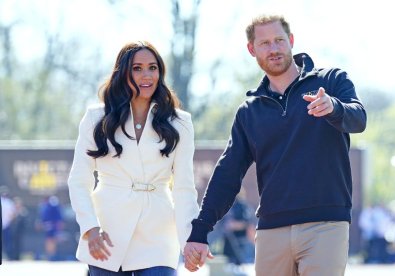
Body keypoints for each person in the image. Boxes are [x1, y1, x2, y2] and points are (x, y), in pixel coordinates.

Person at [184, 14, 367, 276]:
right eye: (265, 43)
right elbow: (227, 174)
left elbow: (358, 118)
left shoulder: (331, 81)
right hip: (271, 230)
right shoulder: (250, 111)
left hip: (325, 224)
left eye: (279, 40)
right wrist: (200, 230)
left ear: (291, 41)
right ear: (252, 49)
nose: (274, 49)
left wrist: (334, 108)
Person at [67, 41, 199, 275]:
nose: (146, 75)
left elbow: (184, 188)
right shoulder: (96, 118)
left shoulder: (180, 123)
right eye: (137, 68)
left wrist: (190, 238)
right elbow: (79, 180)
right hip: (107, 234)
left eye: (152, 67)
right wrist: (90, 228)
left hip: (158, 234)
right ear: (123, 73)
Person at [39, 195, 64, 261]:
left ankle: (51, 255)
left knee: (51, 240)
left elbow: (58, 219)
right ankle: (51, 255)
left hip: (52, 226)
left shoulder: (51, 207)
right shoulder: (48, 207)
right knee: (50, 240)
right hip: (51, 226)